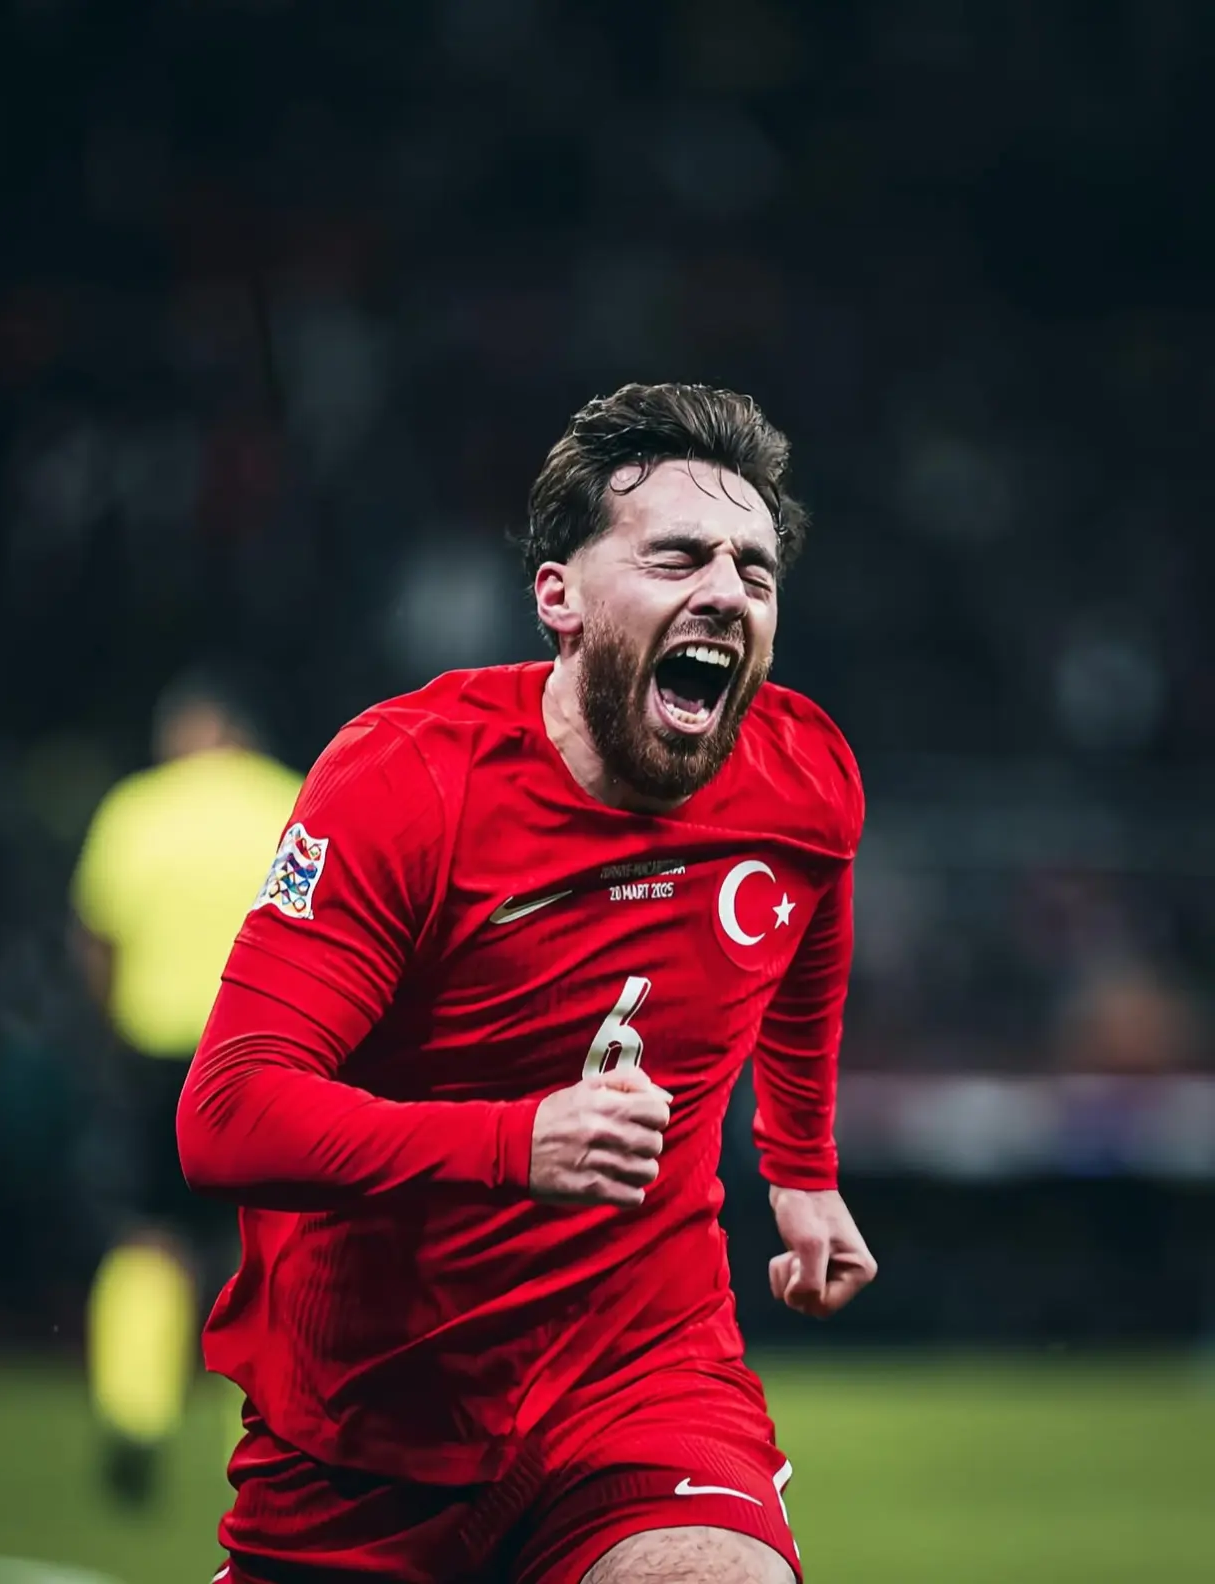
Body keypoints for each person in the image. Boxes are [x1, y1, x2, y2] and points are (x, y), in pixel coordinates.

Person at [177, 383, 877, 1584]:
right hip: (367, 1423)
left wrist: (801, 1168)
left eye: (754, 571)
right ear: (559, 597)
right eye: (676, 558)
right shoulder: (408, 782)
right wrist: (515, 1143)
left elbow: (807, 929)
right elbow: (226, 1115)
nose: (725, 590)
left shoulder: (799, 772)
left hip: (640, 1381)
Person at [69, 669, 301, 1500]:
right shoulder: (291, 799)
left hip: (155, 1054)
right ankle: (262, 1418)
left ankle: (135, 1413)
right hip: (266, 1050)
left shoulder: (136, 809)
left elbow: (96, 940)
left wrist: (108, 1031)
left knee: (147, 1234)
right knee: (264, 1242)